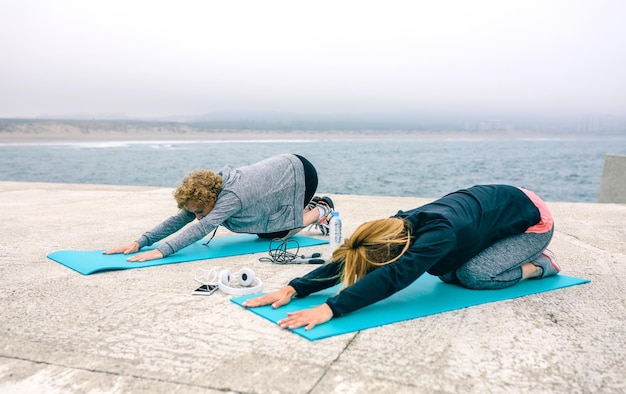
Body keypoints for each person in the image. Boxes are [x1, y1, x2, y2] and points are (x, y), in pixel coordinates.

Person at [243, 184, 560, 330]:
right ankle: (504, 252)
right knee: (444, 271)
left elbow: (394, 276)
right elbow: (353, 256)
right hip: (497, 210)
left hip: (532, 222)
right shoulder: (397, 225)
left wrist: (331, 308)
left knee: (470, 276)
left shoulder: (440, 234)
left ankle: (540, 264)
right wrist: (295, 288)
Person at [104, 154, 334, 262]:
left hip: (301, 175)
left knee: (278, 234)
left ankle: (321, 210)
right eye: (194, 212)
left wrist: (164, 250)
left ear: (212, 198)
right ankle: (308, 207)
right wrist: (141, 241)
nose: (196, 217)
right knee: (266, 231)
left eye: (200, 212)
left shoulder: (231, 196)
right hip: (282, 172)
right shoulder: (206, 193)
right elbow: (180, 220)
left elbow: (202, 228)